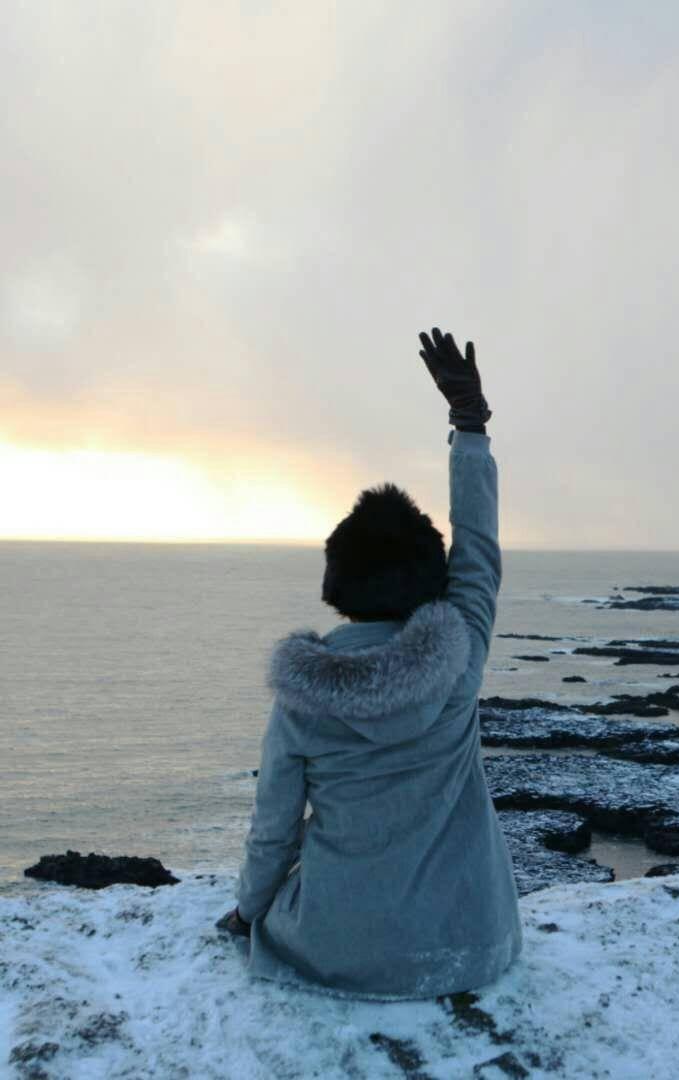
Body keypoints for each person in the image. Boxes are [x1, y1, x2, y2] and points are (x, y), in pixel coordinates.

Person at [214, 326, 521, 999]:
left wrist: (247, 912)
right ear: (430, 581)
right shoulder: (459, 653)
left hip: (340, 951)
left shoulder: (302, 696)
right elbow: (478, 547)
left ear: (338, 584)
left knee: (283, 909)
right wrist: (469, 423)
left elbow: (273, 831)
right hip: (471, 946)